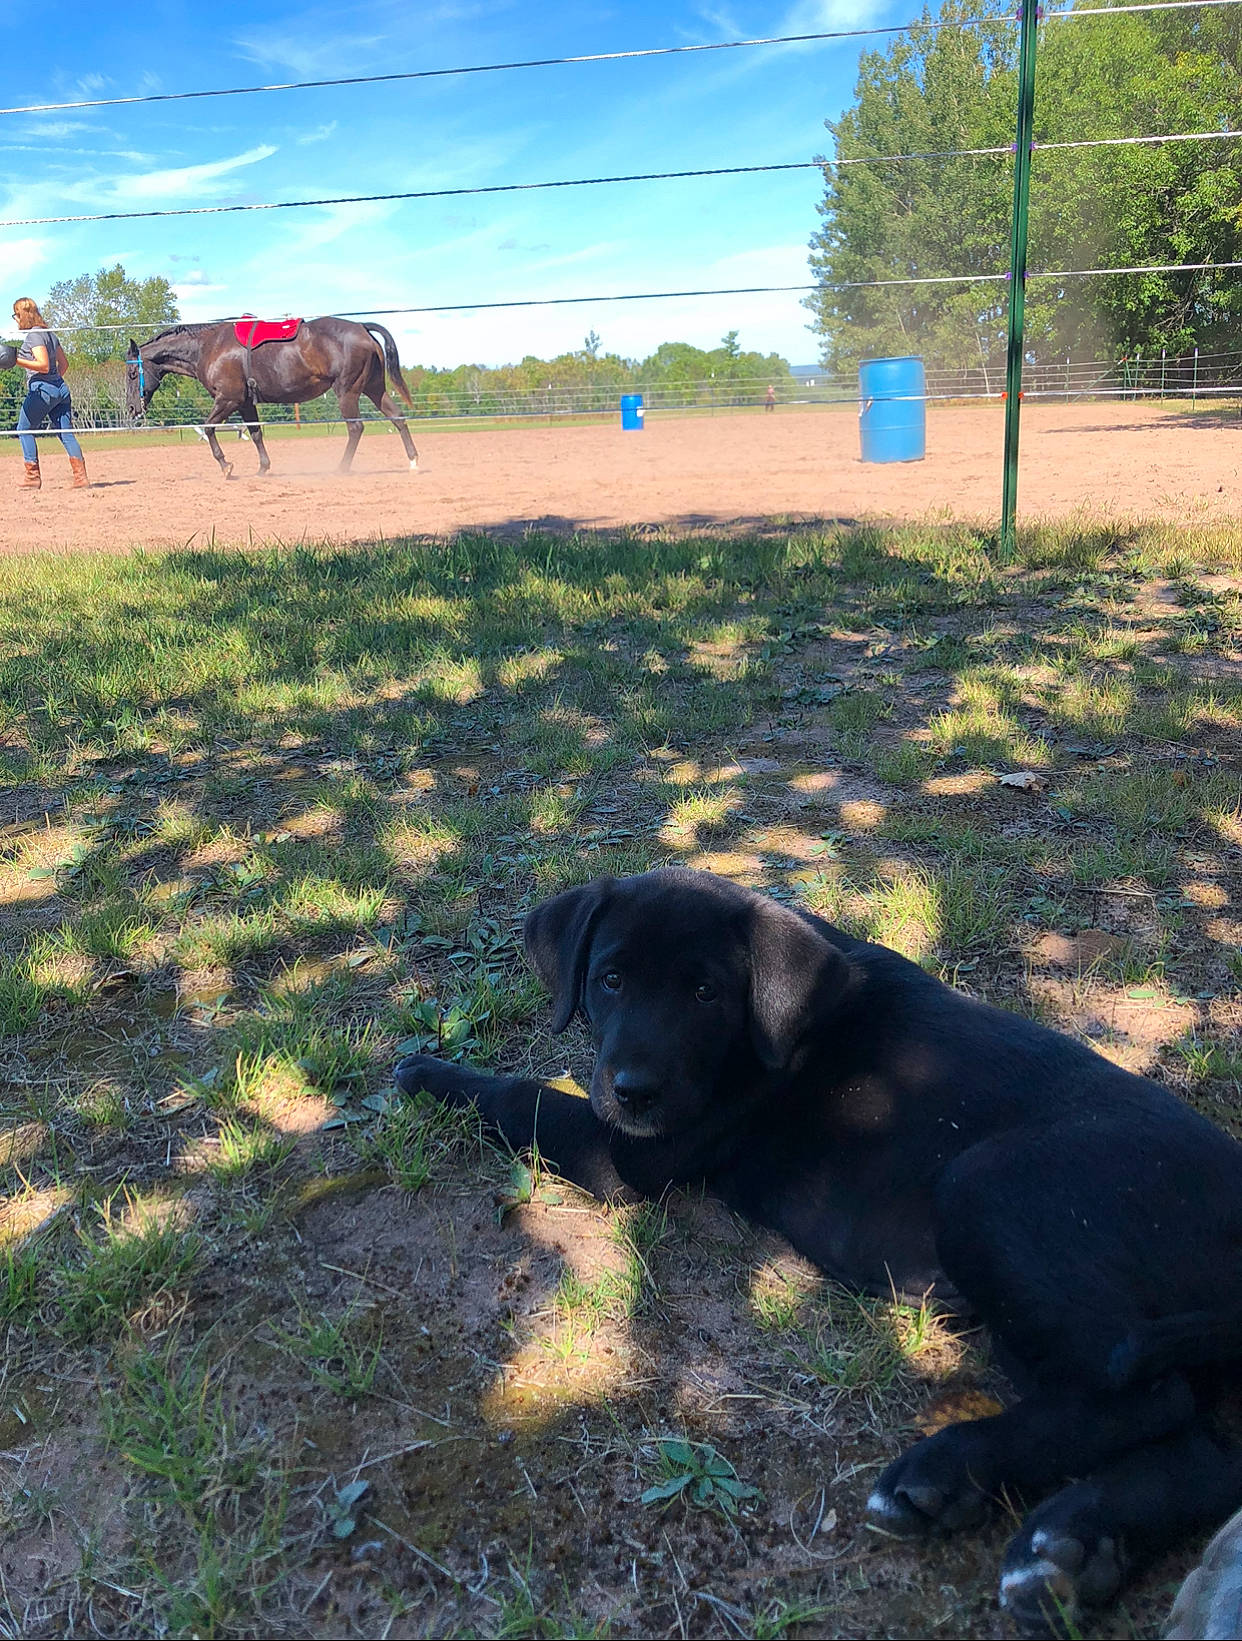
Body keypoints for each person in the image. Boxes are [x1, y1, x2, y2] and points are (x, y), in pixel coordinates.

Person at [11, 296, 88, 489]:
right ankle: (81, 478)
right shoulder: (50, 334)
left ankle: (32, 477)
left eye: (16, 315)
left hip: (42, 390)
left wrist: (15, 361)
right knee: (66, 433)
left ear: (24, 315)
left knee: (24, 429)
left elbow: (44, 365)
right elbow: (64, 364)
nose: (15, 319)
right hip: (61, 389)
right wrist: (54, 383)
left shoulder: (34, 336)